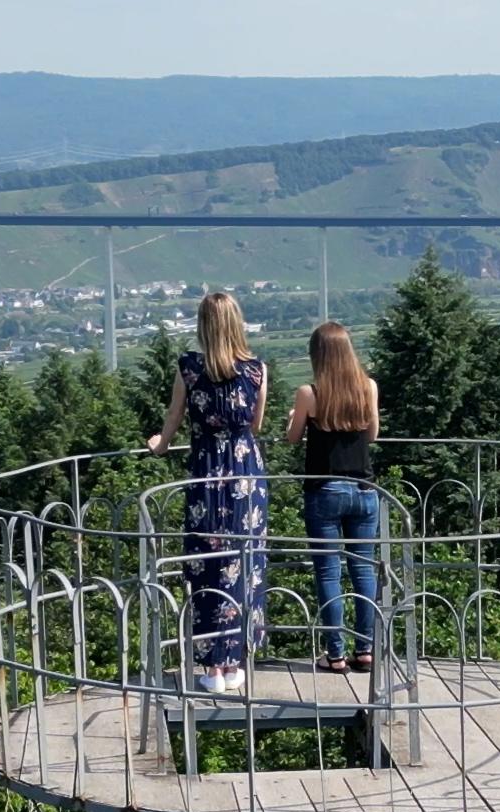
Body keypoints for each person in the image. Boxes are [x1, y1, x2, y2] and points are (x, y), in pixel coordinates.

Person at [149, 290, 268, 694]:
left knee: (206, 564)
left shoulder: (189, 367)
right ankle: (236, 662)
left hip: (205, 474)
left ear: (203, 325)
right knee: (244, 565)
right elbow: (255, 425)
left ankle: (210, 667)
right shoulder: (256, 370)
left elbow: (175, 415)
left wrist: (161, 444)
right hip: (245, 474)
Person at [285, 320, 383, 675]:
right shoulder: (367, 387)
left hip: (325, 490)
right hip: (364, 490)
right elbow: (371, 434)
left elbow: (293, 438)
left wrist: (294, 418)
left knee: (328, 572)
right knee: (363, 570)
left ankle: (336, 653)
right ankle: (366, 648)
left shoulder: (309, 393)